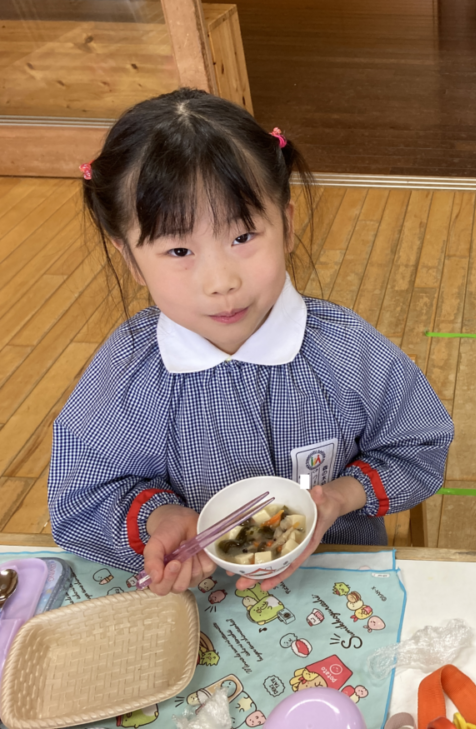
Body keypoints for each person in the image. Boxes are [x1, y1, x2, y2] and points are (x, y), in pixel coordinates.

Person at [49, 88, 453, 594]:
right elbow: (79, 495)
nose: (221, 282)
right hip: (197, 595)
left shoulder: (347, 351)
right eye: (179, 249)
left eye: (242, 237)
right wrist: (160, 517)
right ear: (129, 258)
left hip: (338, 580)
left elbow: (419, 443)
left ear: (284, 222)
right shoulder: (125, 374)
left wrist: (341, 497)